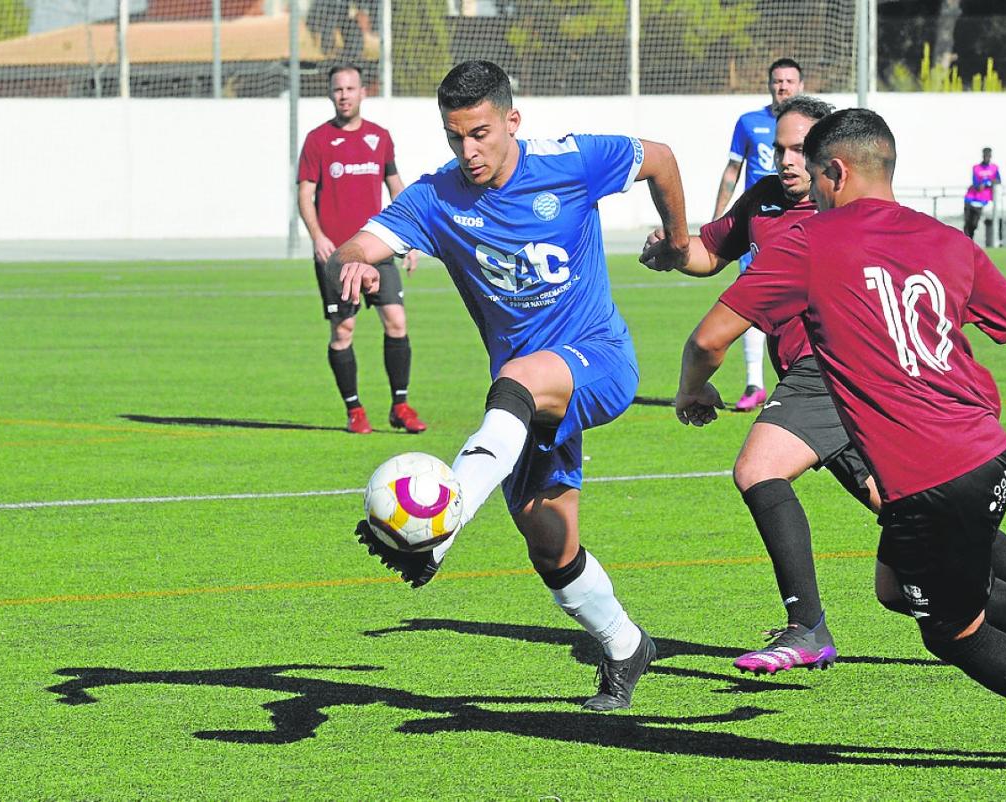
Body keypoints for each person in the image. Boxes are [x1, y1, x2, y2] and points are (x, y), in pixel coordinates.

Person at [674, 108, 1006, 774]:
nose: (807, 185)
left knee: (951, 632)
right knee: (898, 588)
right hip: (988, 450)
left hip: (932, 472)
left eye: (812, 171)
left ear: (835, 172)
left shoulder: (809, 243)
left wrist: (692, 390)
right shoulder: (947, 241)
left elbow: (708, 339)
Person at [331, 60, 691, 712]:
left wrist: (679, 241)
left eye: (480, 133)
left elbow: (661, 159)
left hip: (598, 361)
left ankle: (442, 525)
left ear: (512, 121)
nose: (468, 151)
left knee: (518, 376)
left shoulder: (572, 161)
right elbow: (357, 245)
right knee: (549, 542)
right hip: (522, 405)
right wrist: (353, 265)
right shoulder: (436, 198)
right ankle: (625, 643)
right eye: (454, 137)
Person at [298, 63, 427, 435]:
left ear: (362, 93)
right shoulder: (317, 140)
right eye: (338, 89)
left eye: (350, 89)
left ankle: (400, 405)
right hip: (338, 255)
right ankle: (354, 410)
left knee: (397, 322)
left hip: (377, 248)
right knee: (344, 330)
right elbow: (305, 194)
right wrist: (318, 236)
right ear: (330, 94)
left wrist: (411, 237)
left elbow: (395, 184)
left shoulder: (380, 137)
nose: (344, 95)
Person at [712, 57, 804, 413]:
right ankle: (754, 383)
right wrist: (718, 218)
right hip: (759, 227)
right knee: (751, 299)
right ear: (770, 85)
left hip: (800, 224)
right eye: (778, 81)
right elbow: (732, 169)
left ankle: (800, 378)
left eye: (789, 81)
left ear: (800, 85)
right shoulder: (749, 123)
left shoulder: (812, 126)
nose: (783, 87)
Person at [963, 146, 1001, 242]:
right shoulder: (976, 168)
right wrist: (979, 185)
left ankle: (969, 240)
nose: (986, 157)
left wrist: (987, 183)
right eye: (985, 155)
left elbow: (998, 180)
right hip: (970, 198)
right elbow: (975, 183)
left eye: (988, 155)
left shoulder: (994, 168)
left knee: (974, 224)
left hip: (982, 200)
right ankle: (967, 242)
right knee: (967, 223)